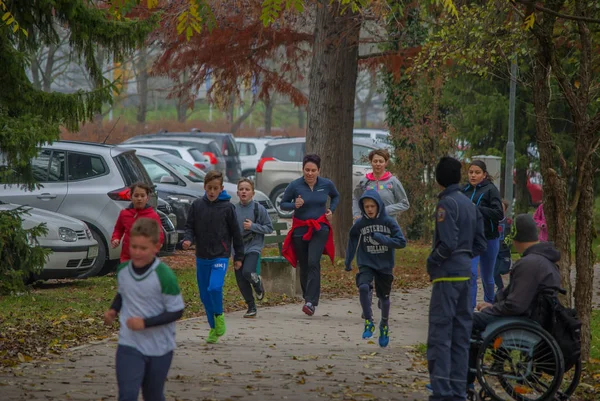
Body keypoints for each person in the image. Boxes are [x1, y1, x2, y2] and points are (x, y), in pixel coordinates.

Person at [467, 214, 562, 387]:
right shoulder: (544, 260)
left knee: (467, 321)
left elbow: (515, 305)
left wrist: (490, 310)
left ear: (517, 238)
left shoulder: (529, 264)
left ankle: (465, 379)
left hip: (523, 319)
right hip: (533, 315)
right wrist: (493, 305)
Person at [426, 156, 487, 401]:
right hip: (465, 277)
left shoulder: (446, 204)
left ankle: (441, 393)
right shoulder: (470, 204)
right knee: (461, 336)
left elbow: (448, 243)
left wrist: (432, 261)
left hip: (446, 277)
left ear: (439, 179)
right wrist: (465, 257)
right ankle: (458, 391)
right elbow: (481, 242)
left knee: (441, 334)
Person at [104, 218, 185, 401]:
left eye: (143, 248)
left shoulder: (164, 275)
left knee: (153, 395)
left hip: (159, 346)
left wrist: (145, 323)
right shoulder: (123, 270)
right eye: (134, 247)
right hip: (129, 343)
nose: (137, 253)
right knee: (127, 395)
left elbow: (177, 311)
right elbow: (124, 293)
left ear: (156, 247)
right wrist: (113, 311)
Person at [182, 170, 244, 344]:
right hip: (202, 256)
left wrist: (239, 256)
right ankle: (213, 328)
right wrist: (187, 239)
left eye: (215, 188)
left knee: (214, 288)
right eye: (209, 188)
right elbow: (189, 227)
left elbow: (236, 233)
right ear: (204, 187)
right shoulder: (197, 206)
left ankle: (219, 316)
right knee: (204, 295)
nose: (211, 191)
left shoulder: (228, 208)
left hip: (220, 256)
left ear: (221, 189)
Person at [345, 190, 407, 348]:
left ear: (378, 206)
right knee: (364, 287)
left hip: (384, 265)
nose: (370, 209)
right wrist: (348, 260)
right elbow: (352, 238)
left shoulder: (389, 222)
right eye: (366, 207)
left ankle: (384, 325)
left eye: (372, 206)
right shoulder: (361, 223)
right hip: (366, 262)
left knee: (384, 297)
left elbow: (401, 242)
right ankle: (368, 321)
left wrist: (382, 238)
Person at [281, 154, 339, 316]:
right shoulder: (295, 185)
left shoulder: (326, 184)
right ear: (303, 169)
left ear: (319, 170)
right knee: (304, 264)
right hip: (300, 229)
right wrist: (294, 204)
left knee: (314, 261)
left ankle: (310, 302)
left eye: (313, 170)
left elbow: (336, 196)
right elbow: (283, 204)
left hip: (320, 228)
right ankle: (308, 297)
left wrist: (331, 210)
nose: (310, 173)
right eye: (307, 170)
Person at [463, 160, 503, 307]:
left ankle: (490, 304)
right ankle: (470, 309)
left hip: (489, 238)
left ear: (484, 175)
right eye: (471, 172)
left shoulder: (491, 190)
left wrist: (477, 208)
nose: (473, 175)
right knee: (472, 273)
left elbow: (499, 214)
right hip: (470, 239)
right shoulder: (464, 190)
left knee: (487, 276)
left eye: (477, 172)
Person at [234, 178, 273, 318]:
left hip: (254, 246)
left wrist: (253, 227)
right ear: (237, 193)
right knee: (241, 279)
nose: (244, 192)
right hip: (238, 249)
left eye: (247, 189)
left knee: (248, 272)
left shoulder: (258, 208)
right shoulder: (233, 210)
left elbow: (269, 228)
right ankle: (251, 307)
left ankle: (257, 282)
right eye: (241, 189)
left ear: (253, 193)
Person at [111, 182, 164, 263]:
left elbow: (159, 234)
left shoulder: (153, 215)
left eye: (142, 196)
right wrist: (116, 239)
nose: (139, 199)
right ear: (130, 197)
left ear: (147, 198)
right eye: (136, 196)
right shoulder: (124, 213)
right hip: (127, 256)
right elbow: (118, 229)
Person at [352, 148, 410, 220]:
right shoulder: (364, 182)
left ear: (386, 163)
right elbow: (356, 198)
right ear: (371, 162)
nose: (378, 164)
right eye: (375, 161)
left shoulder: (393, 181)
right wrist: (356, 214)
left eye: (381, 161)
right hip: (369, 225)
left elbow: (404, 204)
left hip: (388, 224)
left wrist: (385, 210)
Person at [493, 199, 513, 294]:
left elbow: (511, 235)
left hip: (504, 251)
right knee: (494, 272)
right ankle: (500, 287)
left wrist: (507, 243)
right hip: (495, 250)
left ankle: (506, 288)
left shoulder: (508, 222)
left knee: (503, 269)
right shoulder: (492, 222)